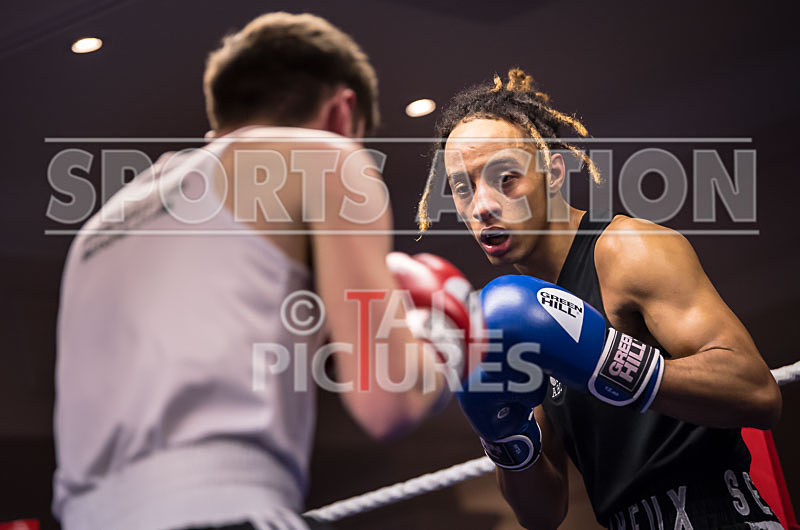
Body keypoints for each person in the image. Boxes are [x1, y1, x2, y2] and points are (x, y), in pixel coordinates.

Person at [53, 12, 467, 530]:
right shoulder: (325, 157)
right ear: (343, 113)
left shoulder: (97, 229)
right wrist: (447, 336)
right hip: (225, 511)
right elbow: (391, 402)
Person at [418, 68, 784, 529]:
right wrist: (505, 438)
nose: (482, 206)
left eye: (505, 178)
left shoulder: (628, 250)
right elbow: (544, 514)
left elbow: (757, 393)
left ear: (551, 173)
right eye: (463, 188)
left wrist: (607, 363)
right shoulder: (513, 318)